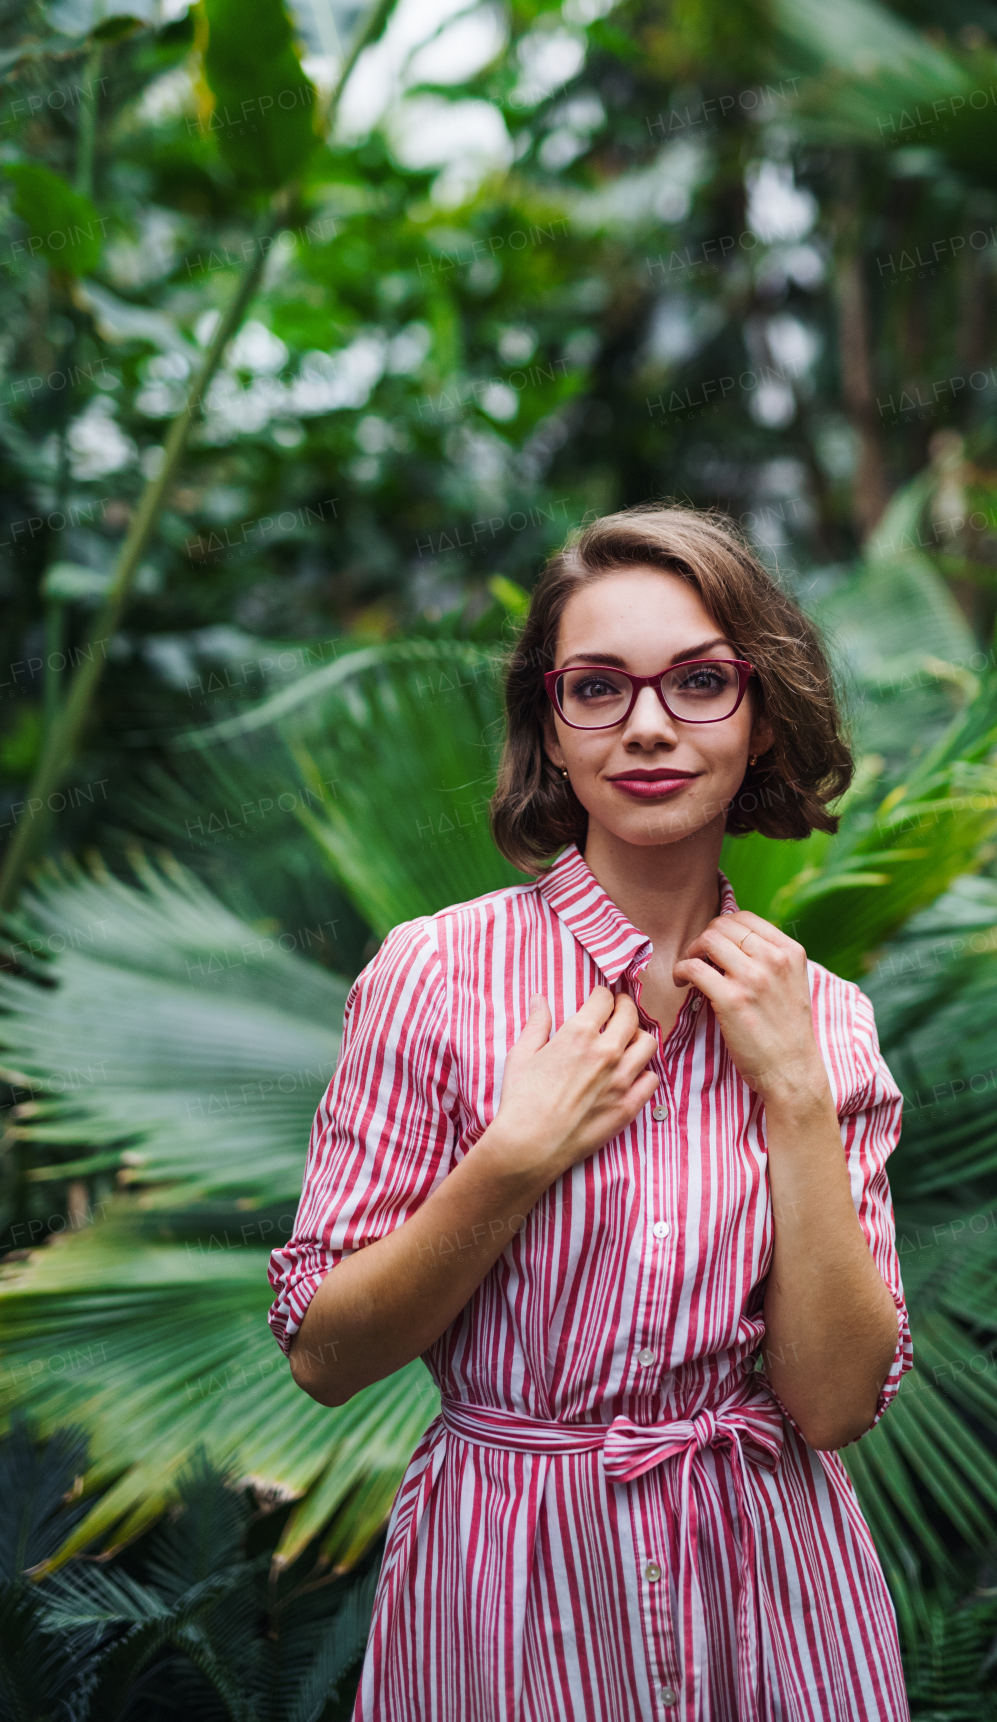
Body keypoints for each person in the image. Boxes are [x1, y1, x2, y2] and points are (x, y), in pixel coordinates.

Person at [268, 505, 912, 1721]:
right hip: (509, 1591)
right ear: (549, 731)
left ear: (760, 716)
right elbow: (324, 1355)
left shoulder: (822, 1020)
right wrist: (511, 1160)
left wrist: (793, 1093)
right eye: (597, 689)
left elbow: (830, 1404)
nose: (650, 726)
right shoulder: (436, 975)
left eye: (701, 682)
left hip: (770, 1595)